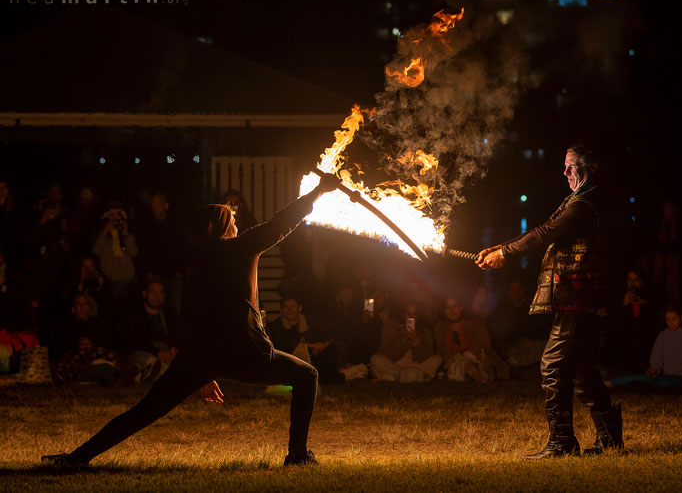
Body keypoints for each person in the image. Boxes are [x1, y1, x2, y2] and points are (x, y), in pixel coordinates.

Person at [42, 172, 340, 467]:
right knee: (307, 376)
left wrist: (202, 370)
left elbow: (190, 313)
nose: (237, 224)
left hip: (200, 357)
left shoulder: (196, 262)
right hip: (244, 352)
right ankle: (298, 454)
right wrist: (318, 191)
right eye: (232, 220)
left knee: (144, 411)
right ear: (222, 226)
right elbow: (282, 222)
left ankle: (76, 458)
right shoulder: (240, 248)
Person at [476, 144, 621, 458]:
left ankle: (561, 443)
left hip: (580, 301)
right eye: (564, 166)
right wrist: (500, 247)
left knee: (553, 367)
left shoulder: (586, 204)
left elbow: (544, 233)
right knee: (582, 369)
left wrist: (504, 252)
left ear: (591, 165)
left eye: (572, 165)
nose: (565, 172)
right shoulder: (580, 199)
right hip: (580, 301)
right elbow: (545, 228)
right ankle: (609, 439)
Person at [606, 305, 682, 388]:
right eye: (668, 319)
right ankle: (609, 384)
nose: (671, 322)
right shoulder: (663, 335)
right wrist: (655, 369)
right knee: (635, 377)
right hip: (665, 376)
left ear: (681, 318)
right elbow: (657, 356)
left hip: (681, 378)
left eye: (674, 319)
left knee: (661, 384)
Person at [433, 296, 508, 383]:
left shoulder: (475, 325)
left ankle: (483, 375)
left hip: (474, 357)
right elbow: (441, 351)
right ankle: (479, 377)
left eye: (455, 306)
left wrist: (472, 354)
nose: (452, 310)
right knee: (465, 366)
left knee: (469, 365)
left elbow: (485, 346)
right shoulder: (440, 328)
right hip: (453, 361)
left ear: (461, 307)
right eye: (448, 307)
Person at [370, 301, 441, 382]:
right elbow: (386, 355)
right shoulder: (391, 326)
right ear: (403, 314)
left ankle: (394, 378)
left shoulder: (426, 332)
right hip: (395, 367)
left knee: (437, 359)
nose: (411, 316)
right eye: (408, 313)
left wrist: (416, 341)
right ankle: (414, 377)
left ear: (418, 316)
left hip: (417, 367)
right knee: (375, 359)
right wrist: (402, 339)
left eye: (414, 314)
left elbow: (428, 358)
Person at [126, 280, 181, 381]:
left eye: (160, 293)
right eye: (153, 292)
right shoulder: (135, 315)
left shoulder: (169, 315)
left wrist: (173, 349)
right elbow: (133, 340)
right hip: (143, 352)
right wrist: (157, 352)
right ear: (144, 294)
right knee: (152, 361)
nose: (157, 296)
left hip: (165, 352)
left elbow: (175, 337)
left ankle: (145, 376)